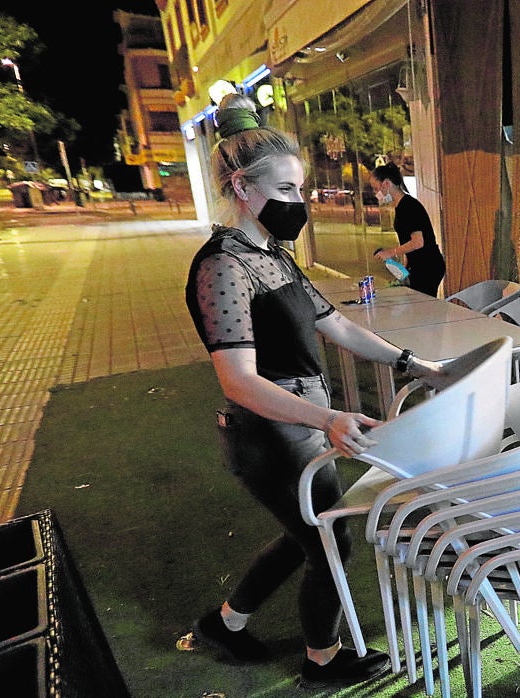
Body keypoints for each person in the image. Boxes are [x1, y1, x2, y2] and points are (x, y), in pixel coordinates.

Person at [184, 94, 444, 689]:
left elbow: (338, 326)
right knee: (329, 541)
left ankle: (226, 623)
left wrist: (416, 364)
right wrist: (326, 419)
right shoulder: (223, 265)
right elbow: (238, 380)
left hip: (301, 422)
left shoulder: (273, 255)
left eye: (299, 189)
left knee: (308, 533)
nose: (297, 203)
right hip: (269, 432)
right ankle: (321, 658)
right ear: (242, 188)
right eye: (285, 190)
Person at [370, 163, 446, 297]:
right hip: (420, 265)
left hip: (427, 266)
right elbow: (407, 240)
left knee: (422, 304)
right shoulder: (401, 206)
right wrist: (405, 268)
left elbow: (418, 242)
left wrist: (391, 253)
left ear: (386, 184)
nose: (376, 194)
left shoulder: (409, 206)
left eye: (376, 189)